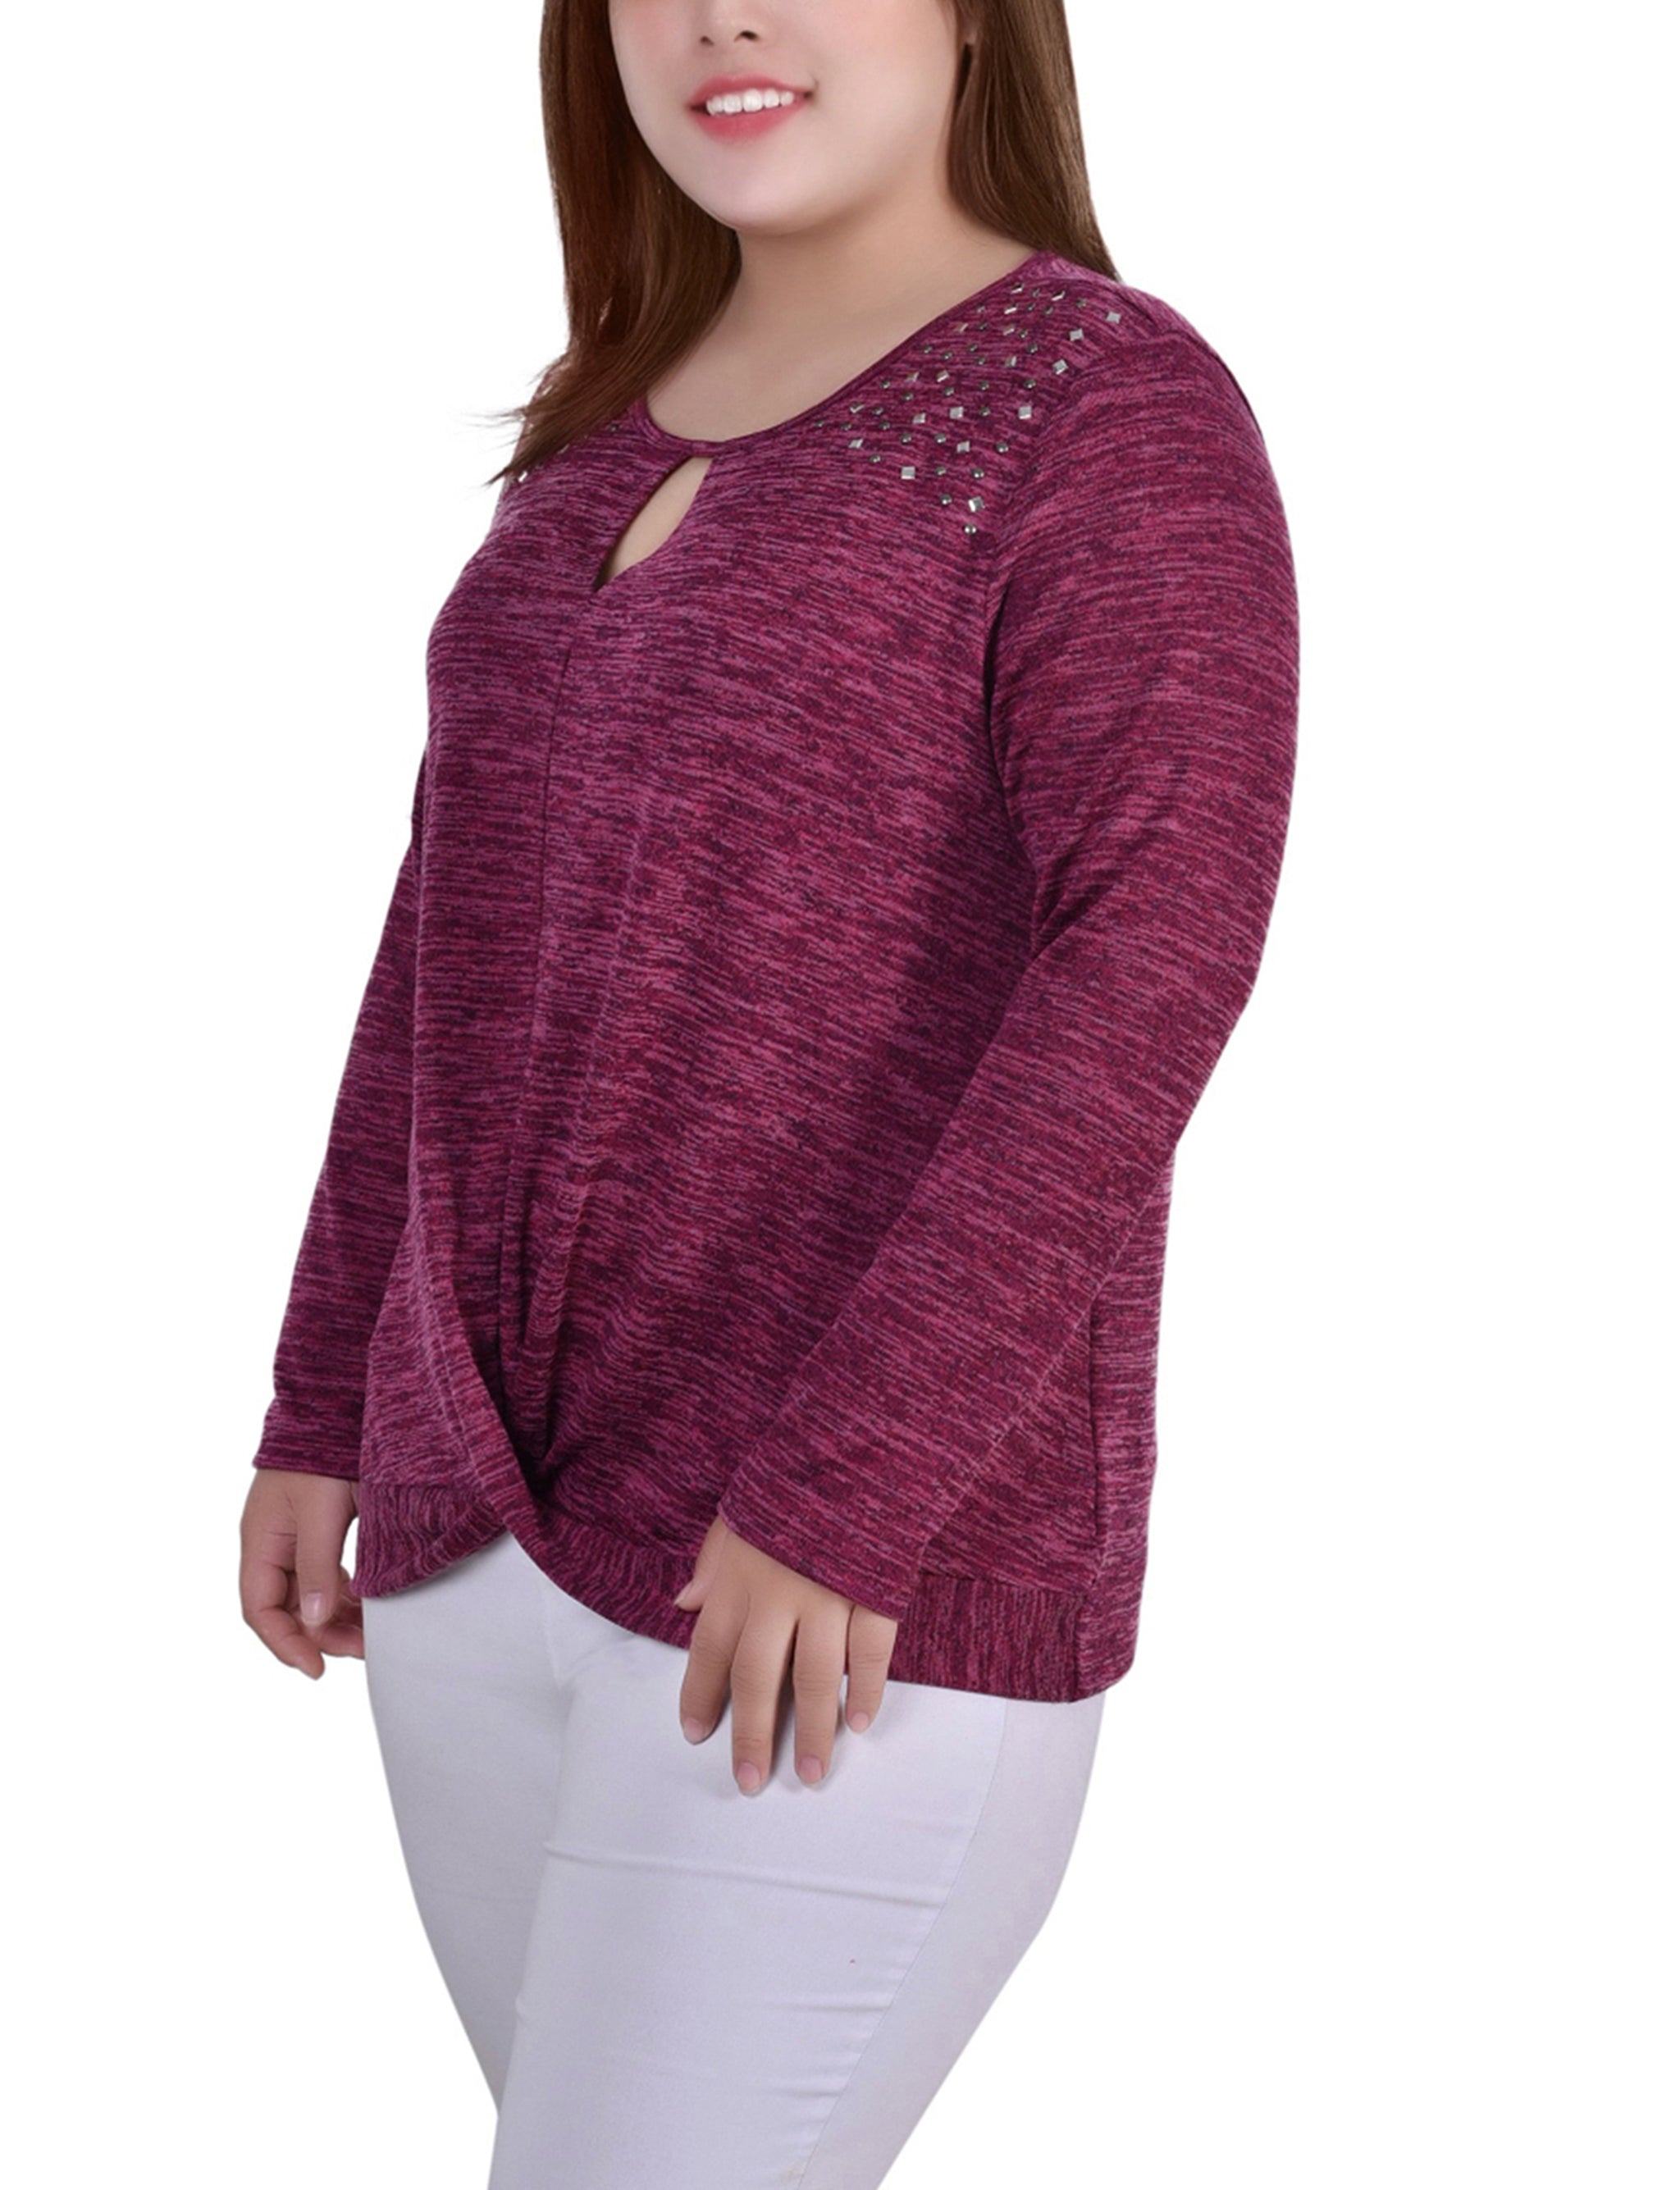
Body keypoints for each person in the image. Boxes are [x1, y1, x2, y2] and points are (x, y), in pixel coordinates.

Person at [238, 2, 1299, 2182]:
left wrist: (849, 1480)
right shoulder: (594, 437)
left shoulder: (1103, 406)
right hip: (469, 1542)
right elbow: (447, 934)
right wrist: (324, 1395)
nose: (726, 12)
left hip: (837, 1587)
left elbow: (1152, 954)